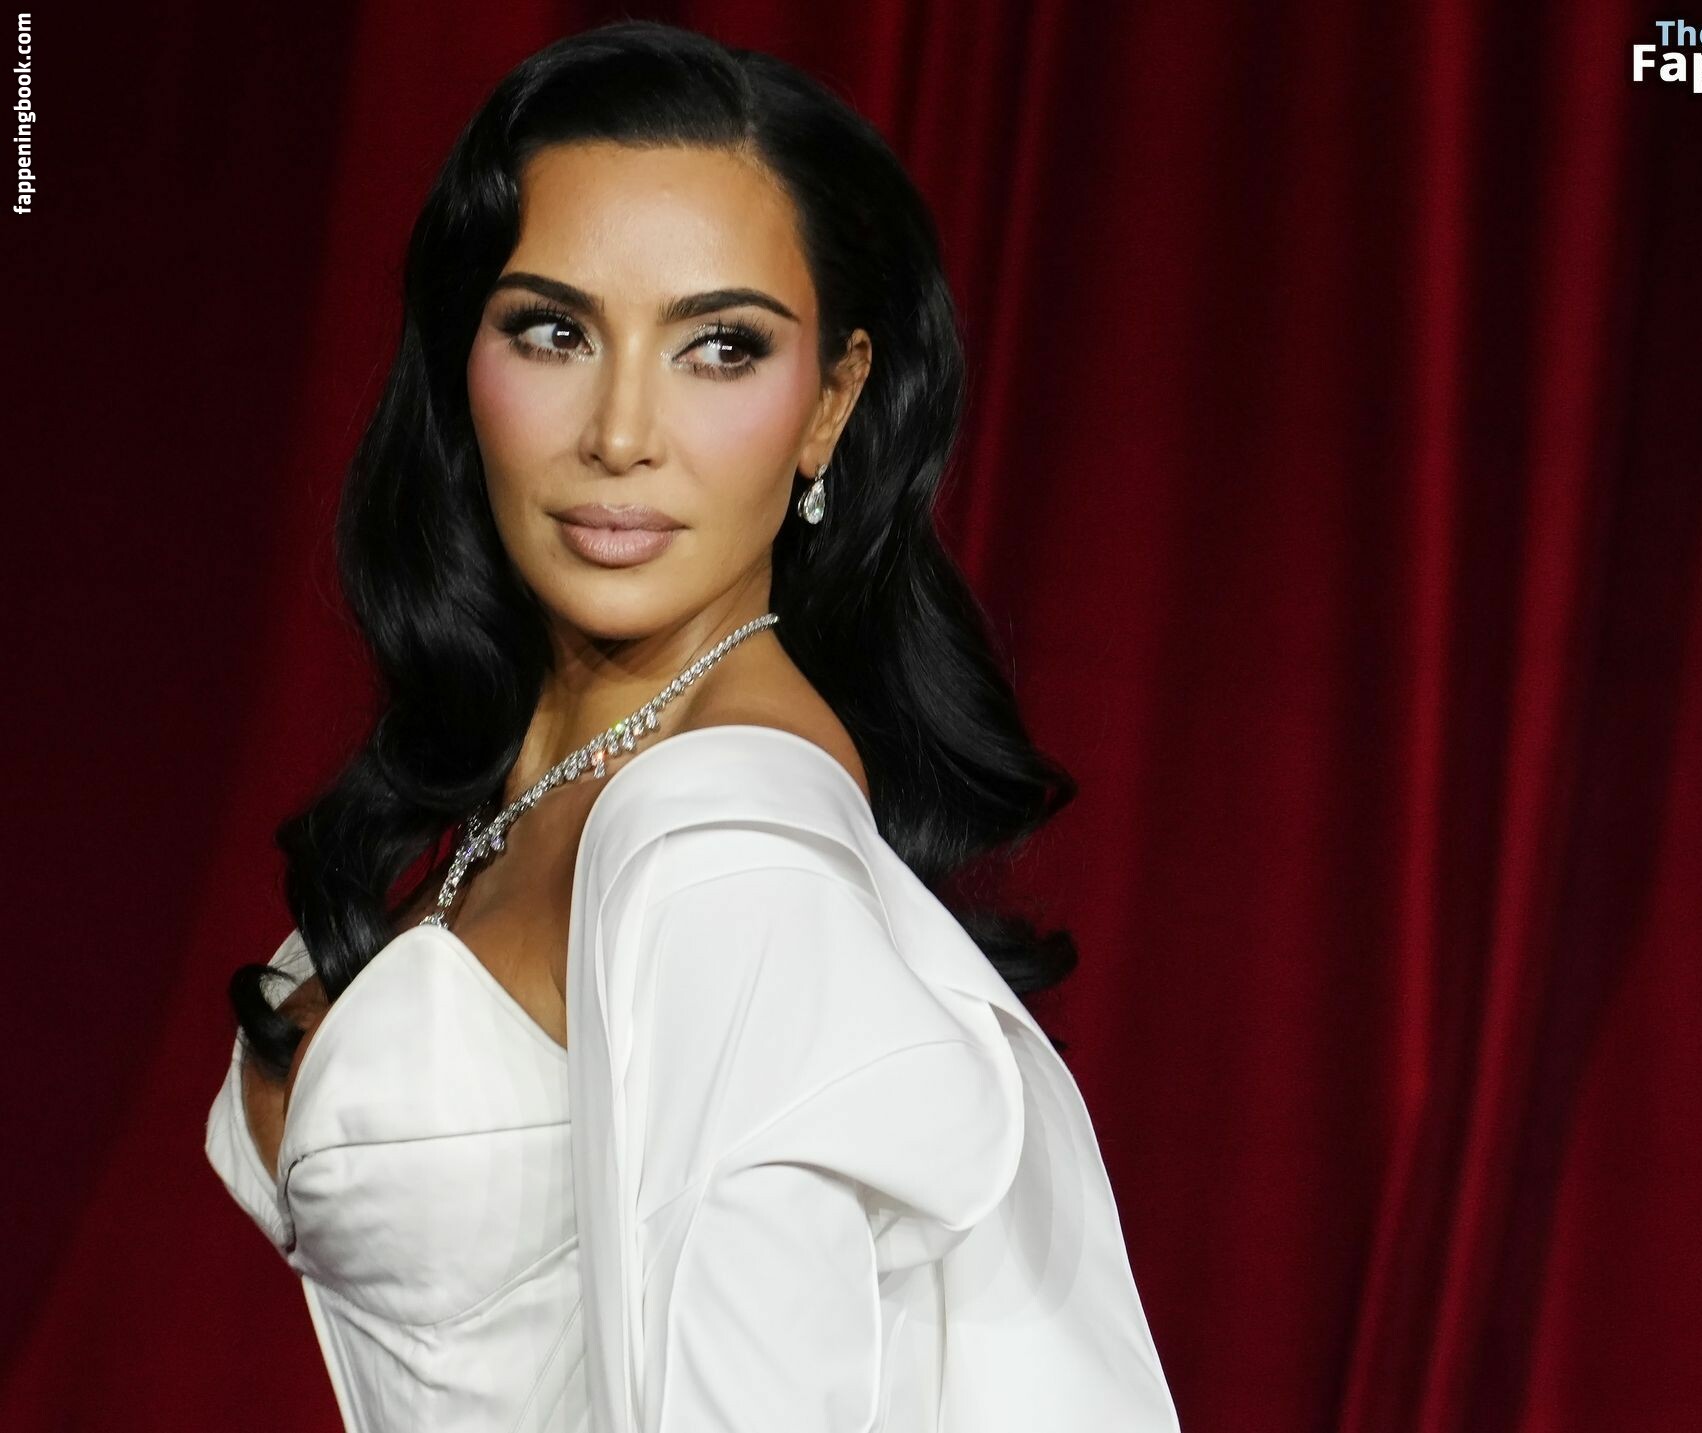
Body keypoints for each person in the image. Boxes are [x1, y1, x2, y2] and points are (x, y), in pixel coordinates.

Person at [202, 18, 1180, 1431]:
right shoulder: (541, 782)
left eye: (721, 347)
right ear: (463, 358)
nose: (620, 433)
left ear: (831, 403)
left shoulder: (722, 840)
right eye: (554, 330)